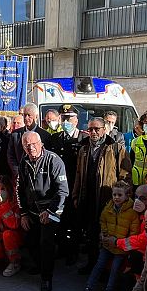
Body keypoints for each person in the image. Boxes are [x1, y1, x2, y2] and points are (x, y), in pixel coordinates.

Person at [73, 118, 132, 274]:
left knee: (107, 235)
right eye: (90, 129)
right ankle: (92, 266)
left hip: (108, 200)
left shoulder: (116, 148)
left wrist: (120, 197)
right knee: (91, 235)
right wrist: (75, 195)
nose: (93, 132)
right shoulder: (84, 150)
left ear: (104, 129)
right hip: (88, 198)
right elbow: (78, 174)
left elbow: (125, 174)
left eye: (97, 129)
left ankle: (106, 270)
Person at [18, 131, 69, 291]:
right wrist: (23, 213)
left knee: (46, 243)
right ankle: (39, 266)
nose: (31, 147)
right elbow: (19, 189)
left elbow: (62, 191)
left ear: (41, 144)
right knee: (30, 240)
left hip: (51, 209)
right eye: (27, 145)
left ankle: (46, 278)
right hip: (32, 211)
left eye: (33, 144)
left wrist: (50, 211)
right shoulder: (23, 162)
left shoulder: (54, 160)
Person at [82, 180, 141, 291]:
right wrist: (104, 234)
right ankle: (88, 289)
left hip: (120, 249)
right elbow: (103, 220)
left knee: (114, 271)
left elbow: (134, 232)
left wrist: (120, 242)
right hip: (107, 245)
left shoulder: (132, 212)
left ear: (127, 196)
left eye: (119, 195)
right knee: (99, 266)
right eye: (114, 195)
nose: (116, 198)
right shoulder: (108, 207)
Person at [49, 105, 89, 261]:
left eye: (69, 118)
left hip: (75, 187)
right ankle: (61, 249)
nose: (66, 121)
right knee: (59, 218)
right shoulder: (55, 139)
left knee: (75, 221)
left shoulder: (83, 139)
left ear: (76, 120)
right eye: (64, 118)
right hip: (58, 187)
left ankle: (72, 251)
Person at [0, 175, 25, 276]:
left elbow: (14, 225)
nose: (0, 192)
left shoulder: (16, 199)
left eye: (3, 189)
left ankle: (15, 262)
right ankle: (6, 257)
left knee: (8, 234)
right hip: (1, 232)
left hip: (16, 234)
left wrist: (4, 205)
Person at [8, 104, 51, 179]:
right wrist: (17, 172)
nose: (26, 118)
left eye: (29, 115)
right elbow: (10, 155)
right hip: (19, 176)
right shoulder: (15, 134)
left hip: (38, 176)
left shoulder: (45, 135)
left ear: (36, 117)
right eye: (24, 115)